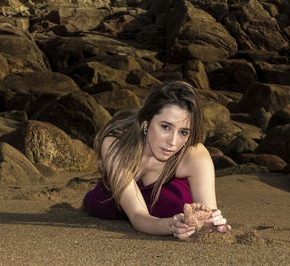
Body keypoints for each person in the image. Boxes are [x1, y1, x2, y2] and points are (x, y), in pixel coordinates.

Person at [83, 80, 231, 239]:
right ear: (146, 122)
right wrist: (171, 226)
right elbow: (137, 216)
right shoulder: (116, 144)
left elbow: (207, 211)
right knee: (98, 205)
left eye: (183, 132)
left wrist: (210, 223)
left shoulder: (194, 155)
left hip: (169, 200)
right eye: (166, 127)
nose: (173, 143)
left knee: (177, 208)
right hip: (115, 201)